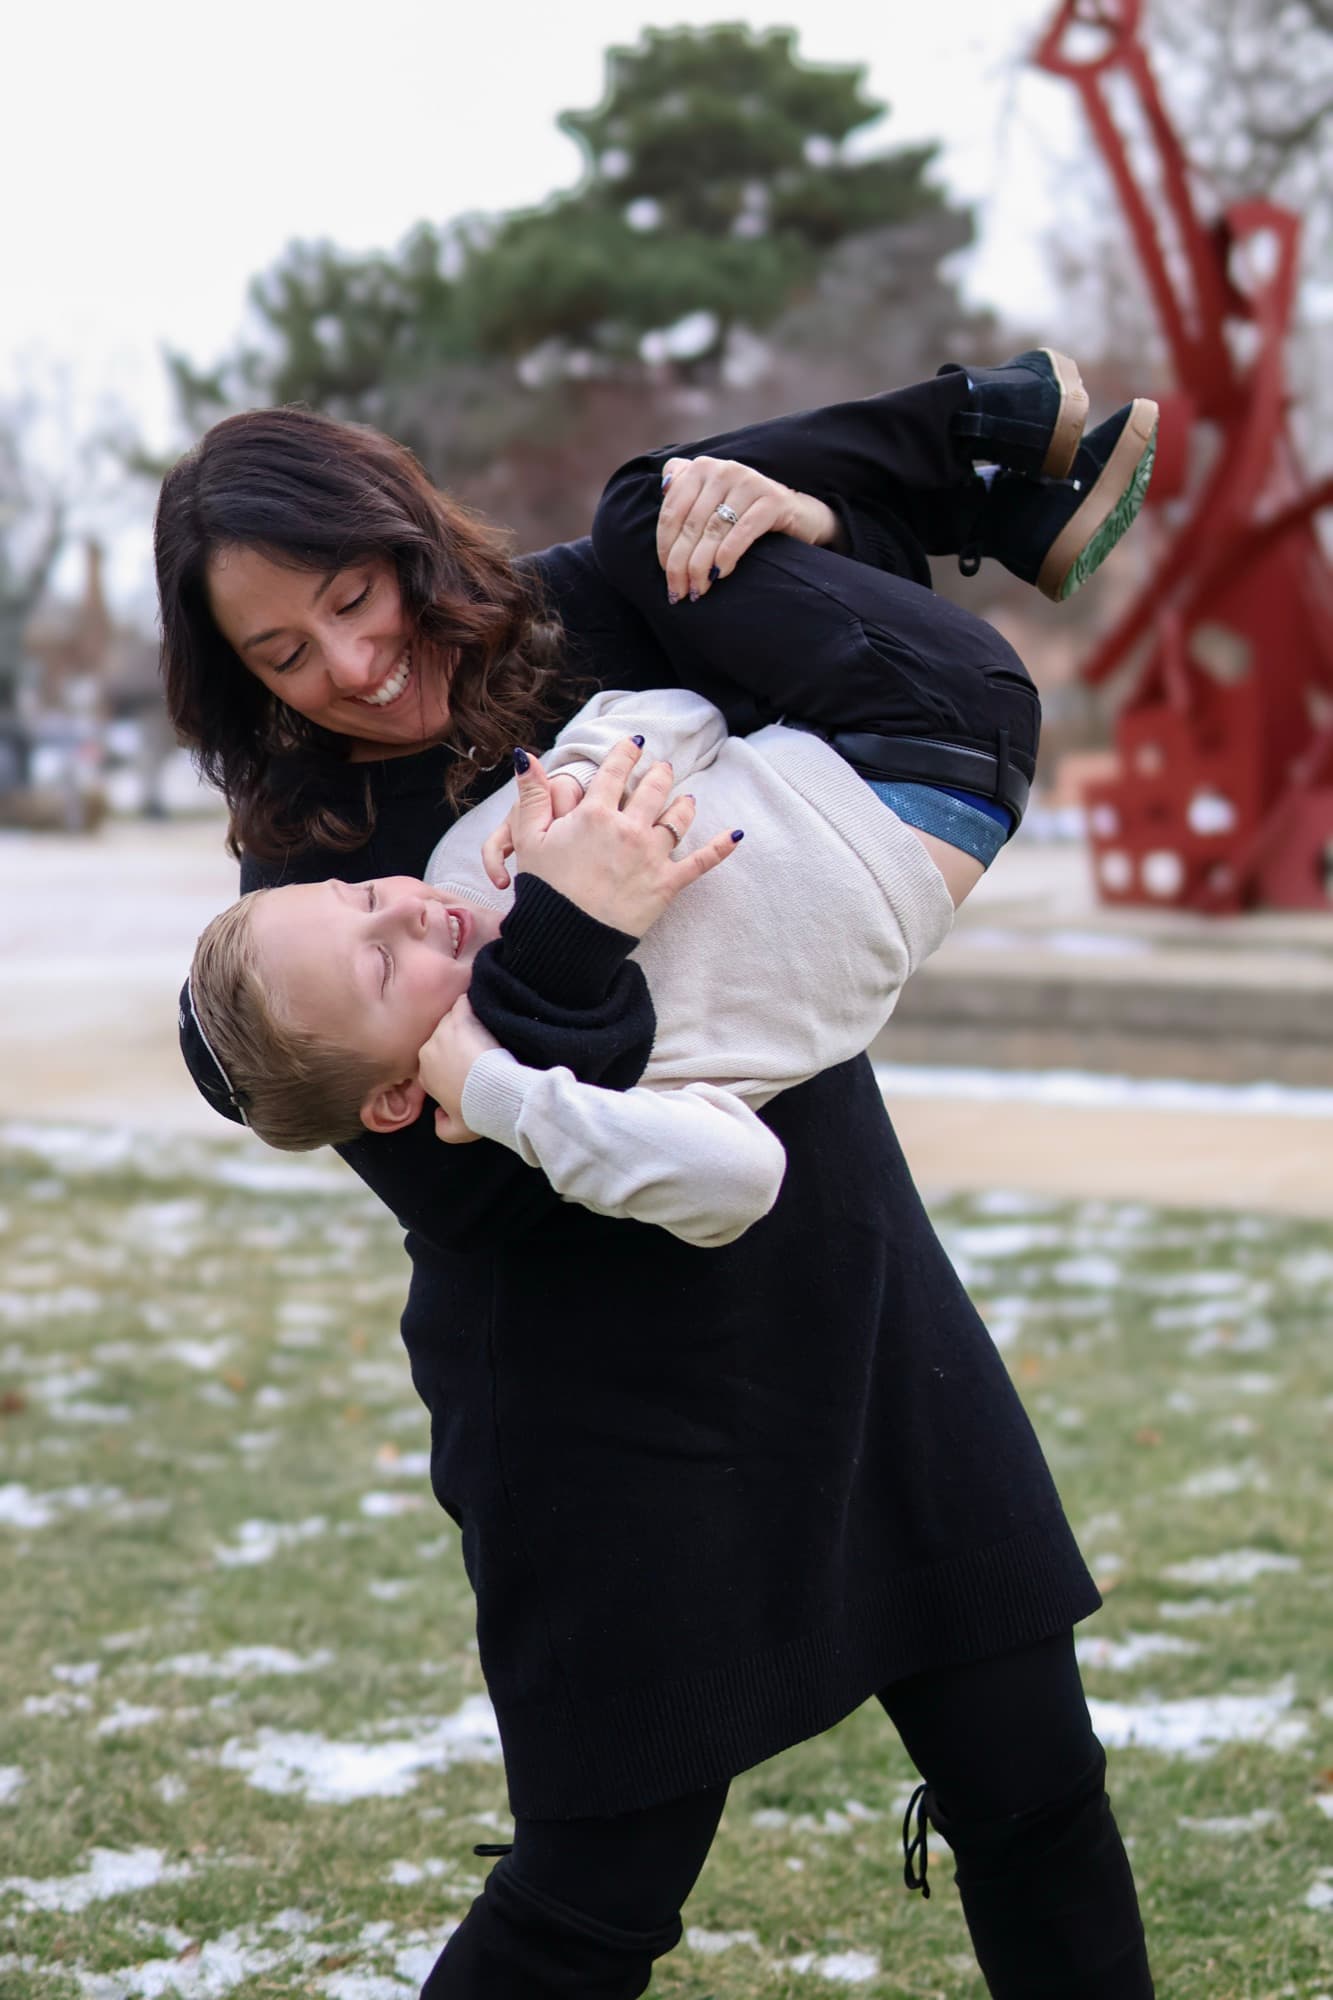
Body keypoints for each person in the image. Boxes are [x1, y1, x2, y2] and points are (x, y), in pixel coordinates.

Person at [156, 356, 1157, 1997]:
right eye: (283, 650)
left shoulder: (581, 617)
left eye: (356, 596)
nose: (351, 662)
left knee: (1035, 1793)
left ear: (409, 538)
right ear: (235, 678)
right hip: (605, 1408)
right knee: (591, 1901)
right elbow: (434, 1164)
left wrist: (793, 514)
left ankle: (975, 438)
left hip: (848, 1283)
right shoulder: (310, 852)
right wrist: (573, 921)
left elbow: (846, 674)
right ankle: (997, 429)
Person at [181, 669, 1008, 1242]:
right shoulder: (565, 1099)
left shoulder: (479, 861)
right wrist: (498, 1095)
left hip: (861, 735)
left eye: (362, 895)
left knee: (643, 504)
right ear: (399, 1097)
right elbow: (740, 1179)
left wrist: (586, 773)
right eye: (383, 966)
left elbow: (684, 713)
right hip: (946, 819)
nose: (409, 912)